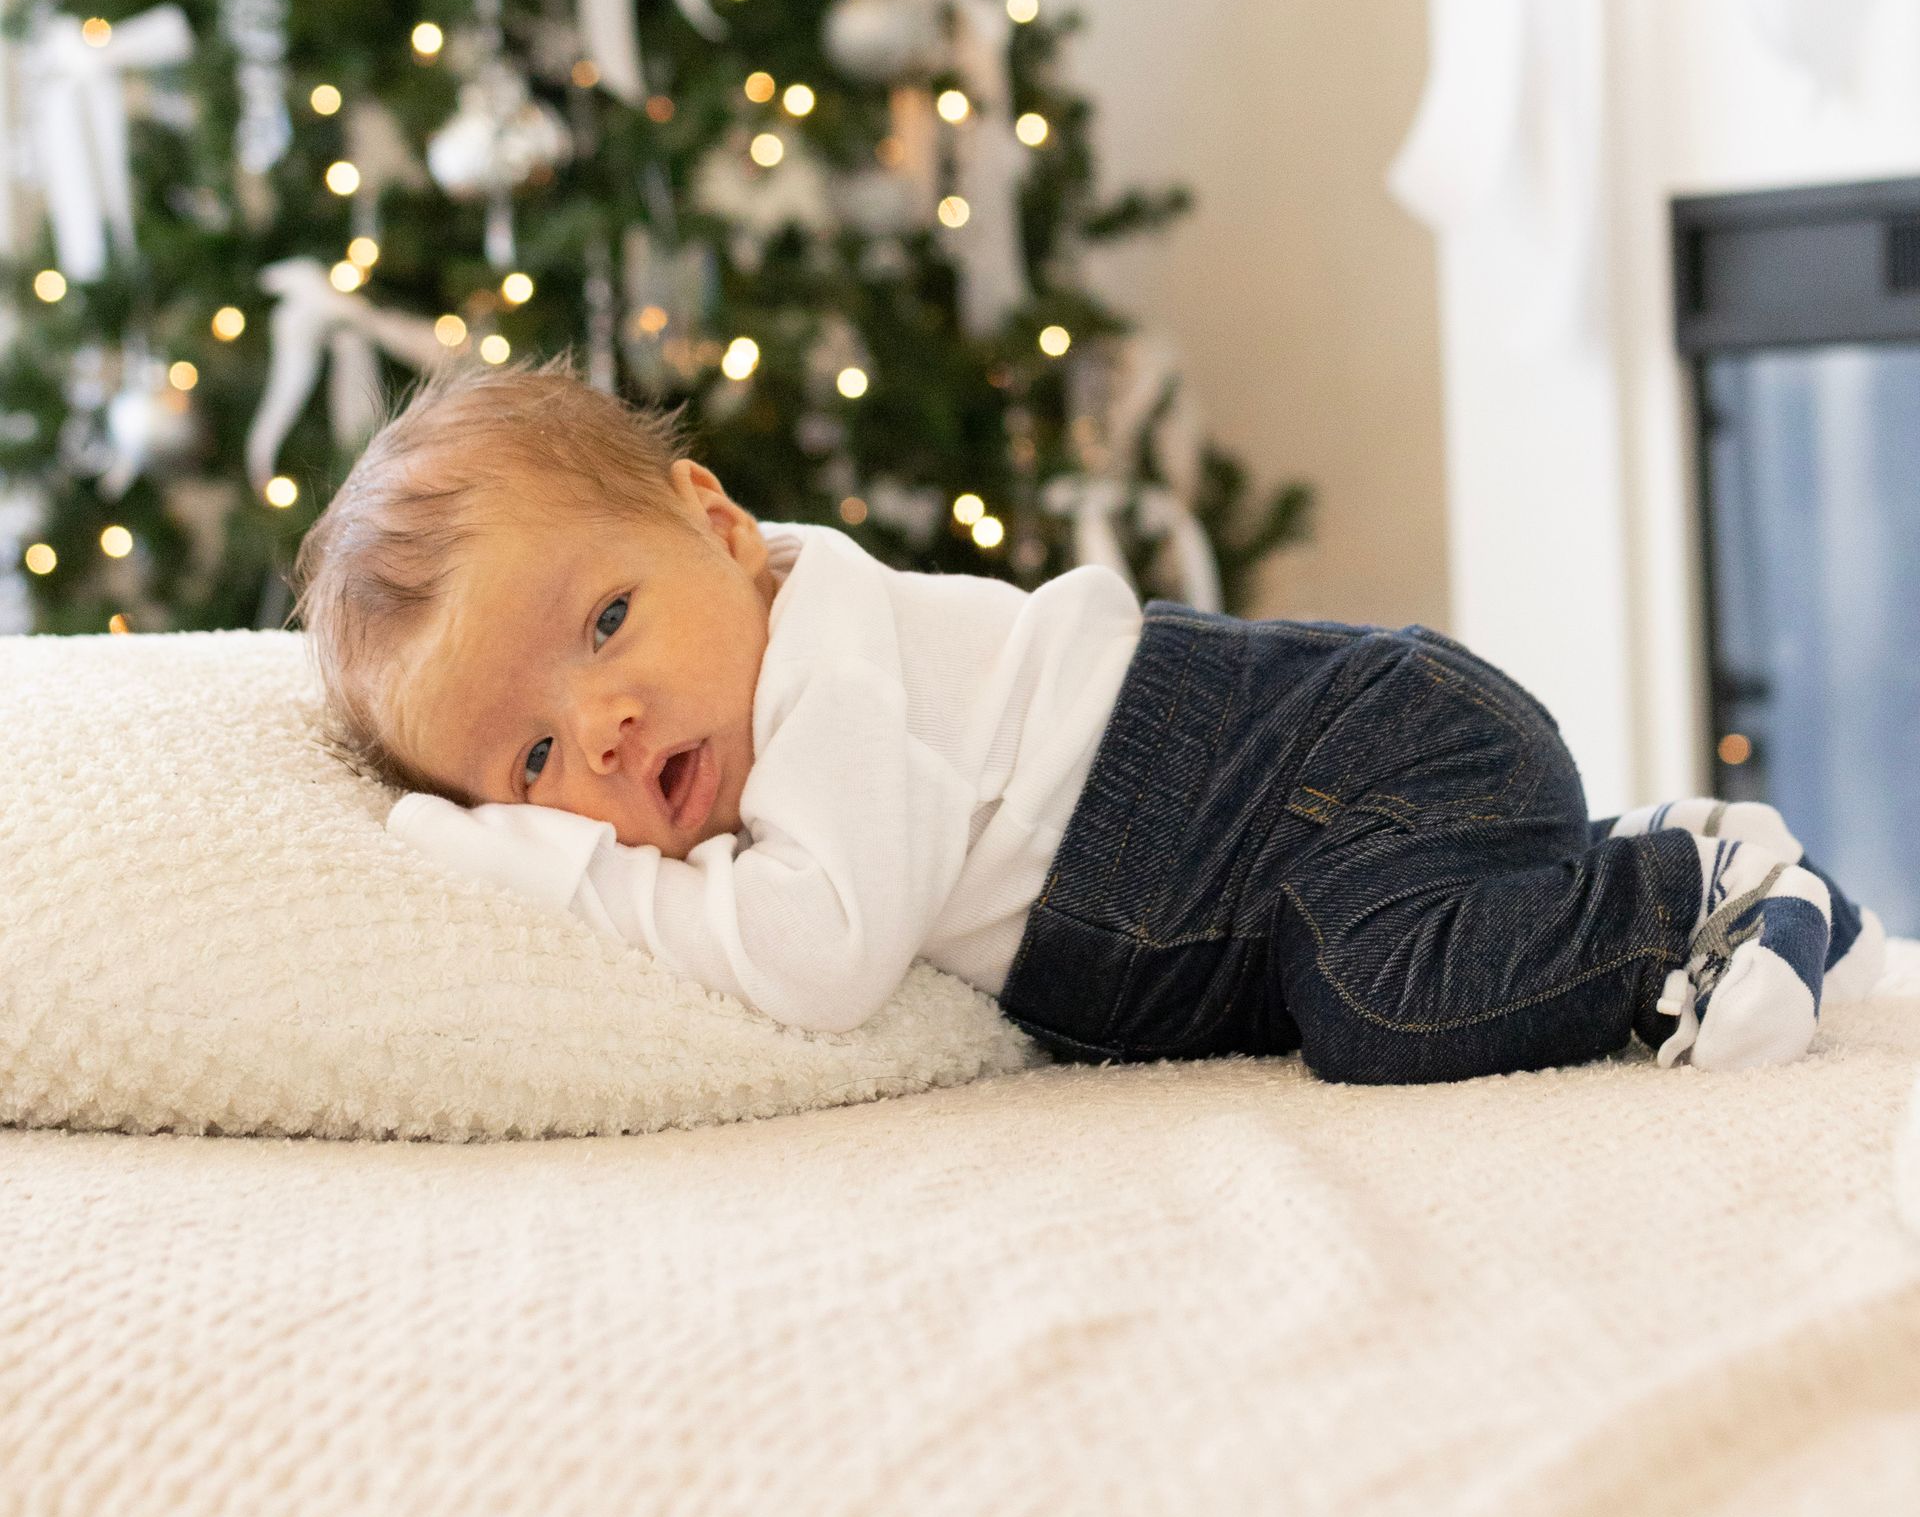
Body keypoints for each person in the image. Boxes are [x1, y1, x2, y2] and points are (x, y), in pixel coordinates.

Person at [297, 362, 1886, 1077]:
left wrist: (520, 851)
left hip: (1339, 764)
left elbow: (819, 957)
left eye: (605, 619)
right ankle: (1625, 863)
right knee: (1363, 973)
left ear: (717, 525)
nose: (608, 721)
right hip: (1306, 823)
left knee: (1383, 1005)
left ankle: (1703, 896)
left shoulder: (825, 663)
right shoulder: (767, 720)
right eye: (529, 759)